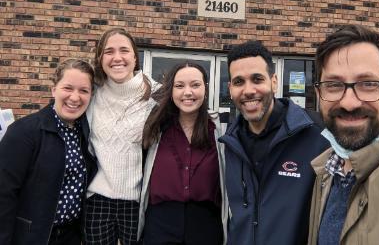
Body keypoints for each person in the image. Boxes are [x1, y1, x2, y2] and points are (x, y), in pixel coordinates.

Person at [219, 41, 329, 245]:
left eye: (257, 79)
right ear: (230, 88)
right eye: (239, 82)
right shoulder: (228, 143)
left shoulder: (318, 135)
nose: (248, 90)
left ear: (274, 81)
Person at [308, 24, 379, 245]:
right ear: (319, 94)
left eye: (368, 84)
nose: (349, 103)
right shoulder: (326, 171)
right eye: (333, 85)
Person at [0, 59, 97, 245]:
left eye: (83, 90)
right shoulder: (24, 132)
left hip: (71, 236)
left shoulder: (85, 132)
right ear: (54, 90)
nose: (75, 97)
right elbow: (3, 195)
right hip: (32, 237)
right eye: (68, 88)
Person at [138, 62, 228, 245]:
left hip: (206, 227)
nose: (188, 92)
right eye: (179, 86)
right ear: (171, 91)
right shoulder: (155, 127)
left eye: (195, 85)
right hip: (160, 226)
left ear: (206, 88)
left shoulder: (220, 129)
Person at [84, 28, 159, 245]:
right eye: (109, 51)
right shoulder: (91, 94)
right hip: (97, 200)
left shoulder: (155, 94)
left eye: (124, 50)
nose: (117, 58)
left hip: (138, 201)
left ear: (135, 57)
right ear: (100, 58)